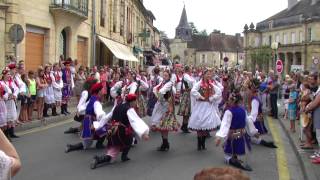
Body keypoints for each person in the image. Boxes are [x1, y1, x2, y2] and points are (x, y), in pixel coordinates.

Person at [90, 94, 150, 169]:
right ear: (132, 101)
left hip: (113, 130)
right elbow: (135, 121)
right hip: (121, 132)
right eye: (135, 101)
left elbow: (107, 117)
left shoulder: (117, 106)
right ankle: (98, 159)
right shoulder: (129, 109)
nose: (135, 103)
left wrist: (98, 126)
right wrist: (144, 133)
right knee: (113, 154)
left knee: (129, 140)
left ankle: (124, 157)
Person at [216, 89, 259, 171]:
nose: (228, 101)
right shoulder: (243, 110)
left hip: (233, 135)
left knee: (229, 153)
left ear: (232, 101)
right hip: (242, 134)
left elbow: (225, 125)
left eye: (229, 100)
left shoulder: (229, 111)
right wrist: (254, 132)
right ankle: (235, 158)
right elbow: (248, 121)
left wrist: (219, 136)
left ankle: (233, 160)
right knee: (238, 147)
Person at [65, 82, 107, 153]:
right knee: (106, 127)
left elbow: (84, 107)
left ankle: (71, 147)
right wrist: (104, 118)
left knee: (86, 144)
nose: (103, 92)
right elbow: (99, 114)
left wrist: (79, 110)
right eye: (102, 90)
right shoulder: (96, 102)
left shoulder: (92, 98)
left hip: (87, 121)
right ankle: (99, 144)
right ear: (99, 91)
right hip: (92, 123)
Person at [188, 69, 222, 150]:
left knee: (206, 124)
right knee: (199, 124)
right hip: (200, 105)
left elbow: (219, 91)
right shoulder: (199, 83)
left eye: (209, 74)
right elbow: (193, 91)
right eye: (207, 74)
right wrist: (200, 96)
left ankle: (203, 144)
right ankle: (199, 144)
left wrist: (212, 98)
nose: (208, 76)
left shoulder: (211, 84)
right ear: (203, 75)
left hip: (208, 105)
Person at [151, 70, 179, 151]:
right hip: (161, 105)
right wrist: (158, 96)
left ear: (169, 76)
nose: (164, 77)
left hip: (166, 106)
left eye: (166, 75)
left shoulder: (169, 83)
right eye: (164, 75)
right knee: (162, 126)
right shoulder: (163, 82)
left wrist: (159, 96)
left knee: (164, 125)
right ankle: (165, 143)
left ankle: (165, 143)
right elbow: (154, 88)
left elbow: (161, 91)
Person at [248, 79, 277, 148]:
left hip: (255, 118)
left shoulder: (255, 99)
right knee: (252, 135)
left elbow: (253, 114)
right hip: (255, 117)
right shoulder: (255, 98)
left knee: (252, 135)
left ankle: (256, 139)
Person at [177, 66, 195, 133]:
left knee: (186, 112)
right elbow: (191, 82)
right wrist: (193, 85)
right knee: (186, 111)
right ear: (188, 70)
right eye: (190, 69)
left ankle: (184, 126)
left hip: (187, 93)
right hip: (187, 94)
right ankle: (184, 126)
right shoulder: (186, 75)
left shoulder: (187, 75)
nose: (191, 70)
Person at [3, 65, 19, 139]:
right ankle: (6, 135)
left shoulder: (10, 82)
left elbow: (16, 89)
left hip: (11, 102)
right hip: (5, 103)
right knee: (6, 118)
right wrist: (8, 96)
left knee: (12, 117)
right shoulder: (2, 83)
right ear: (4, 75)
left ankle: (11, 133)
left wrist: (15, 95)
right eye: (8, 74)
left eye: (9, 74)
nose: (9, 75)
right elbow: (2, 92)